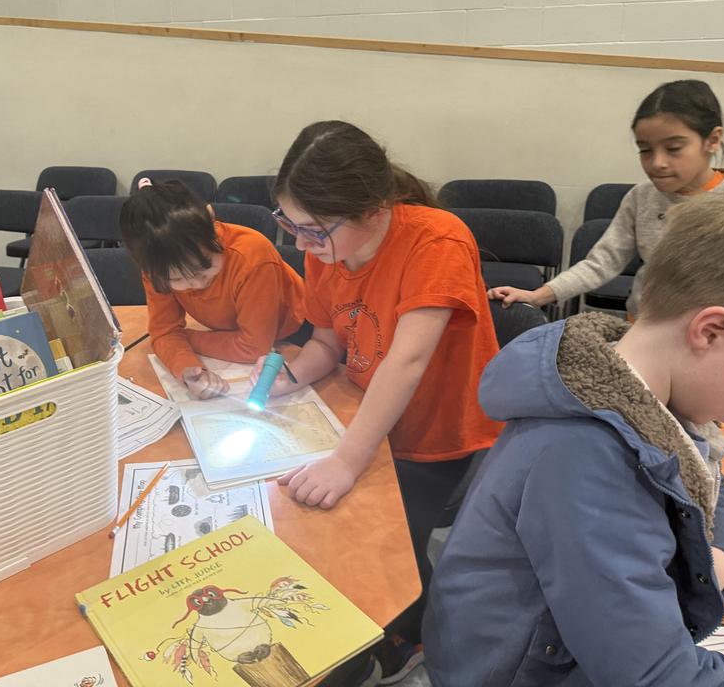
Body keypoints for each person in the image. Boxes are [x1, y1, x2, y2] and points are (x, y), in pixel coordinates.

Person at [424, 195, 724, 686]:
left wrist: (721, 562)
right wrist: (700, 567)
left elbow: (706, 471)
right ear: (710, 331)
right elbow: (654, 676)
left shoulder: (646, 385)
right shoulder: (586, 454)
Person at [255, 121, 502, 677]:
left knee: (393, 549)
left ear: (371, 211)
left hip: (436, 433)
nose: (300, 245)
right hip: (369, 416)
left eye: (313, 231)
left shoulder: (437, 241)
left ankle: (412, 637)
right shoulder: (325, 249)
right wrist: (290, 376)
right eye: (288, 225)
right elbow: (326, 342)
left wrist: (346, 460)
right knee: (331, 529)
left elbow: (407, 361)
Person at [489, 79, 724, 318]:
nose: (657, 162)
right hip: (647, 325)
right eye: (645, 150)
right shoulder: (642, 197)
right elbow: (602, 262)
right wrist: (539, 295)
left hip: (723, 335)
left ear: (712, 140)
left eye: (674, 148)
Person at [119, 178, 305, 400]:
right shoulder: (157, 266)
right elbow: (164, 332)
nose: (196, 284)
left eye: (204, 267)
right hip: (233, 334)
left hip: (296, 336)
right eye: (176, 279)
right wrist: (188, 369)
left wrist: (185, 338)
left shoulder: (253, 256)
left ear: (210, 218)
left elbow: (254, 347)